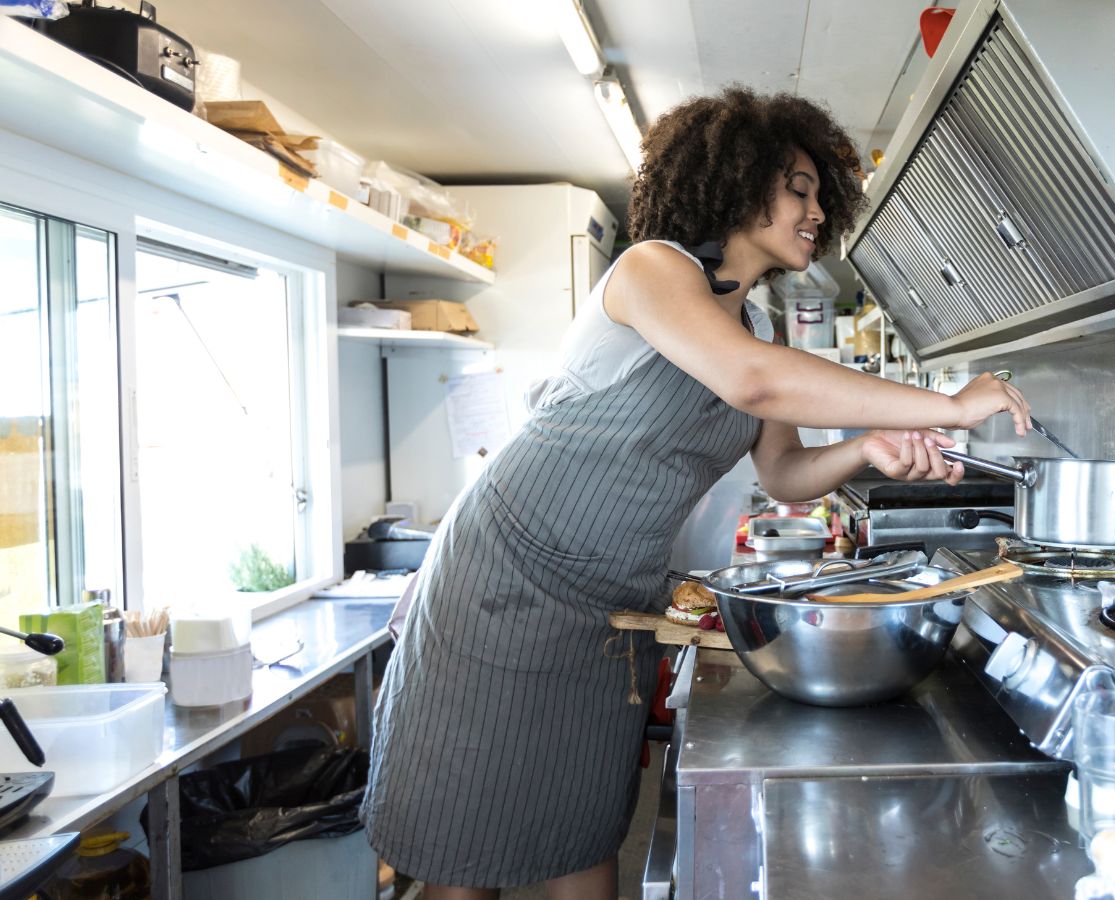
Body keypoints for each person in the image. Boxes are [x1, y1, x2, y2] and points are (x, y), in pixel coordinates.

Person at [361, 86, 1033, 900]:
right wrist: (950, 406)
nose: (817, 211)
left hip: (611, 607)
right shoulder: (654, 271)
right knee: (464, 845)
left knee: (580, 831)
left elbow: (783, 473)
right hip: (501, 581)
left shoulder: (758, 330)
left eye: (821, 196)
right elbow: (753, 384)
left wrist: (864, 449)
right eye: (799, 189)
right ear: (740, 184)